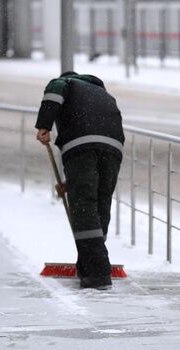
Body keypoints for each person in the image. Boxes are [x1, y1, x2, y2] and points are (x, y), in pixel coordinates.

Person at [35, 71, 124, 290]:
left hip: (80, 145)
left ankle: (98, 273)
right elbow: (95, 134)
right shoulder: (104, 94)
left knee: (84, 206)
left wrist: (44, 124)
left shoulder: (65, 82)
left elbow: (54, 90)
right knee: (101, 203)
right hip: (113, 148)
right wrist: (69, 183)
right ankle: (88, 263)